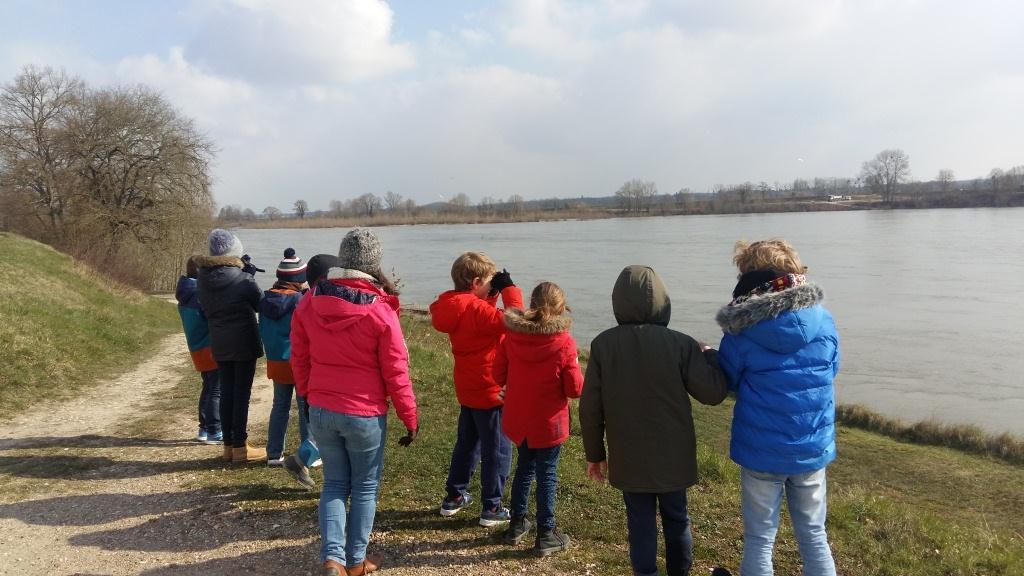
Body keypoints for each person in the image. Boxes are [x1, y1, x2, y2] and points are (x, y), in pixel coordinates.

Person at [580, 265, 729, 576]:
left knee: (640, 522)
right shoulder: (681, 344)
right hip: (674, 456)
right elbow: (713, 394)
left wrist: (595, 455)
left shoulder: (603, 345)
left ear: (617, 301)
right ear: (663, 301)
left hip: (628, 455)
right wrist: (710, 355)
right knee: (677, 518)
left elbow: (590, 407)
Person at [291, 229, 419, 576]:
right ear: (374, 264)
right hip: (364, 414)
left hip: (322, 408)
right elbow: (397, 371)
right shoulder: (380, 311)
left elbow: (299, 356)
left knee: (334, 484)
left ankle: (333, 558)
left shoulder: (310, 300)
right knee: (363, 489)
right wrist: (410, 417)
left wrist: (306, 394)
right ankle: (355, 562)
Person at [714, 239, 840, 576]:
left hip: (762, 451)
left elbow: (728, 379)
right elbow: (830, 369)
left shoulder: (742, 332)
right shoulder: (824, 321)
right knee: (814, 535)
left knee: (759, 539)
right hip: (811, 447)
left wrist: (709, 355)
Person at [429, 252, 523, 526]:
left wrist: (491, 293)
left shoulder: (451, 305)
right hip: (491, 389)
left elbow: (479, 315)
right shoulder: (476, 310)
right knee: (497, 449)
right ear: (477, 281)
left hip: (468, 388)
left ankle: (454, 496)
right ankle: (492, 507)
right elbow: (514, 321)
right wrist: (509, 289)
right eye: (490, 281)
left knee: (467, 443)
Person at [493, 282, 582, 556]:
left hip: (520, 417)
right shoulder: (564, 342)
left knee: (524, 468)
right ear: (560, 309)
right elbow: (575, 388)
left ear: (531, 305)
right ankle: (546, 532)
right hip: (548, 421)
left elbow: (497, 375)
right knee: (547, 474)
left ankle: (517, 523)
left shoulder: (512, 336)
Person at [196, 229, 266, 464]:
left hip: (219, 341)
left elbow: (204, 309)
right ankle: (240, 447)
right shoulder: (242, 279)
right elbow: (260, 304)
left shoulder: (203, 278)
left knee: (226, 392)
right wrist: (250, 276)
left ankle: (228, 446)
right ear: (234, 253)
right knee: (241, 395)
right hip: (243, 341)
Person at [281, 254, 340, 490]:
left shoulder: (306, 303)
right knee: (328, 427)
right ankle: (304, 461)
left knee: (324, 426)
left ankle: (301, 460)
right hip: (325, 375)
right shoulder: (318, 304)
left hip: (317, 376)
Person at [260, 248, 310, 466]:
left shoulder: (265, 299)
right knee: (304, 405)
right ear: (299, 279)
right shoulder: (299, 300)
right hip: (297, 361)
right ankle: (308, 454)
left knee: (279, 405)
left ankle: (273, 454)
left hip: (275, 361)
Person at [175, 256, 221, 445]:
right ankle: (214, 430)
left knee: (208, 386)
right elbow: (212, 315)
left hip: (197, 345)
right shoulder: (198, 293)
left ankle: (204, 427)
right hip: (209, 344)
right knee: (215, 389)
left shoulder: (185, 291)